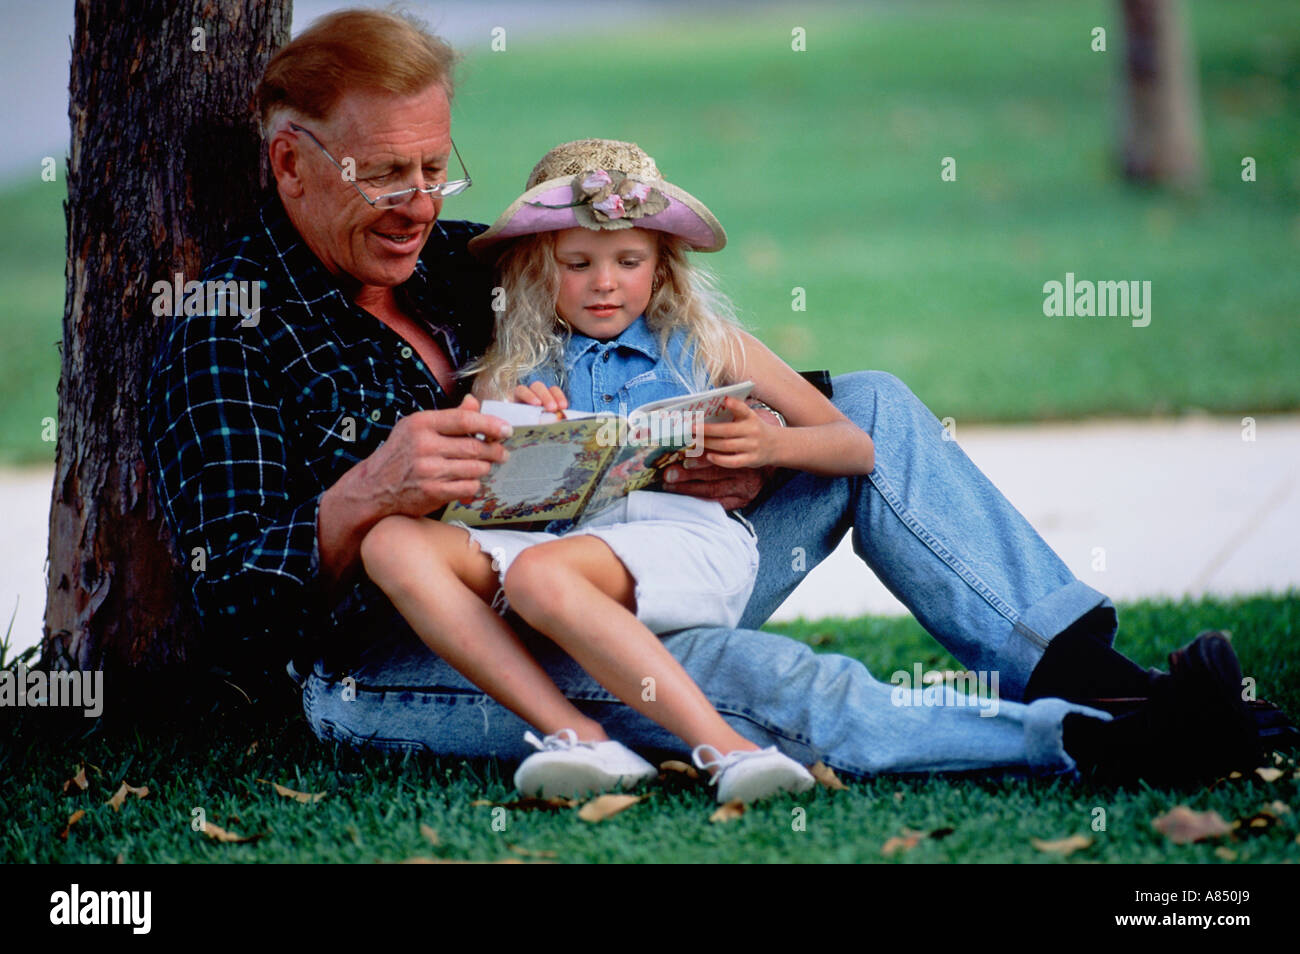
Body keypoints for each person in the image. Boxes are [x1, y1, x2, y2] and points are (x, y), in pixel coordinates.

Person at [144, 9, 1287, 793]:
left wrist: (748, 454)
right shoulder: (220, 333)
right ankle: (1098, 742)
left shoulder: (460, 261)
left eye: (435, 169)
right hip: (408, 659)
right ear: (291, 165)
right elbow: (233, 607)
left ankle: (1086, 667)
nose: (416, 202)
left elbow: (647, 335)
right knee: (739, 681)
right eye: (383, 173)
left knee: (874, 408)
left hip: (622, 555)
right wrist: (368, 492)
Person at [356, 137, 883, 802]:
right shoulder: (514, 363)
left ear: (661, 269)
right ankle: (583, 740)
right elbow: (477, 483)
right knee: (391, 542)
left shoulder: (708, 344)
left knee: (540, 574)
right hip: (550, 545)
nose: (604, 282)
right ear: (539, 270)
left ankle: (732, 753)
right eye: (577, 263)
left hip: (680, 540)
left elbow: (854, 446)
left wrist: (767, 447)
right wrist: (513, 422)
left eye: (628, 261)